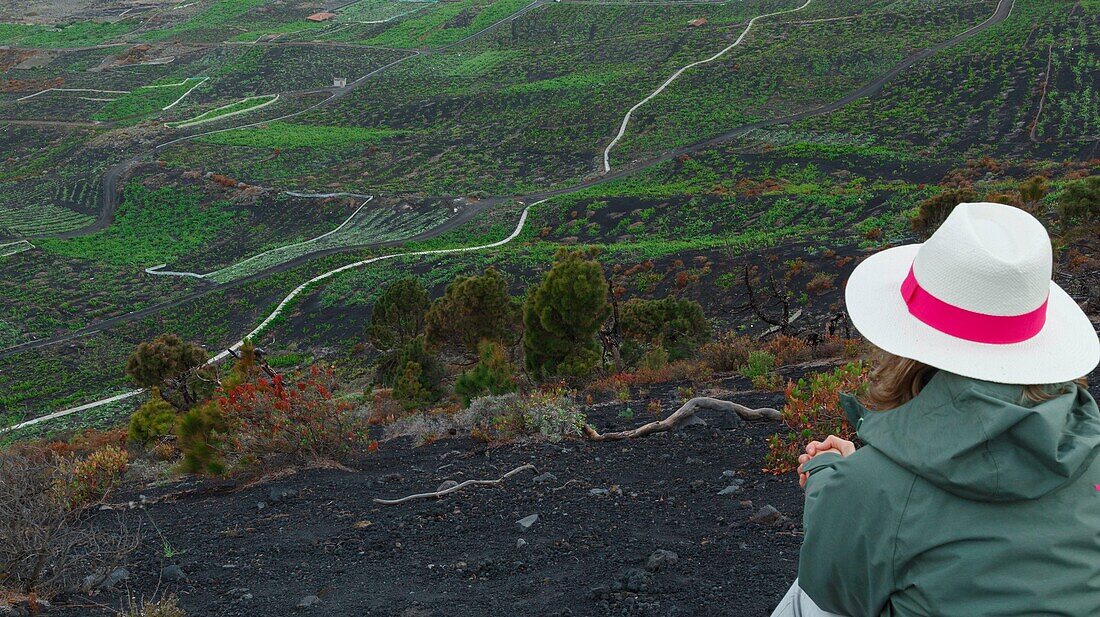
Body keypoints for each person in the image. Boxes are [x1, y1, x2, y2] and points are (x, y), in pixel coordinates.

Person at [770, 202, 1100, 617]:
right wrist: (862, 475)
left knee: (808, 600)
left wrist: (834, 472)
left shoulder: (875, 487)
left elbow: (836, 585)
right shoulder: (1091, 451)